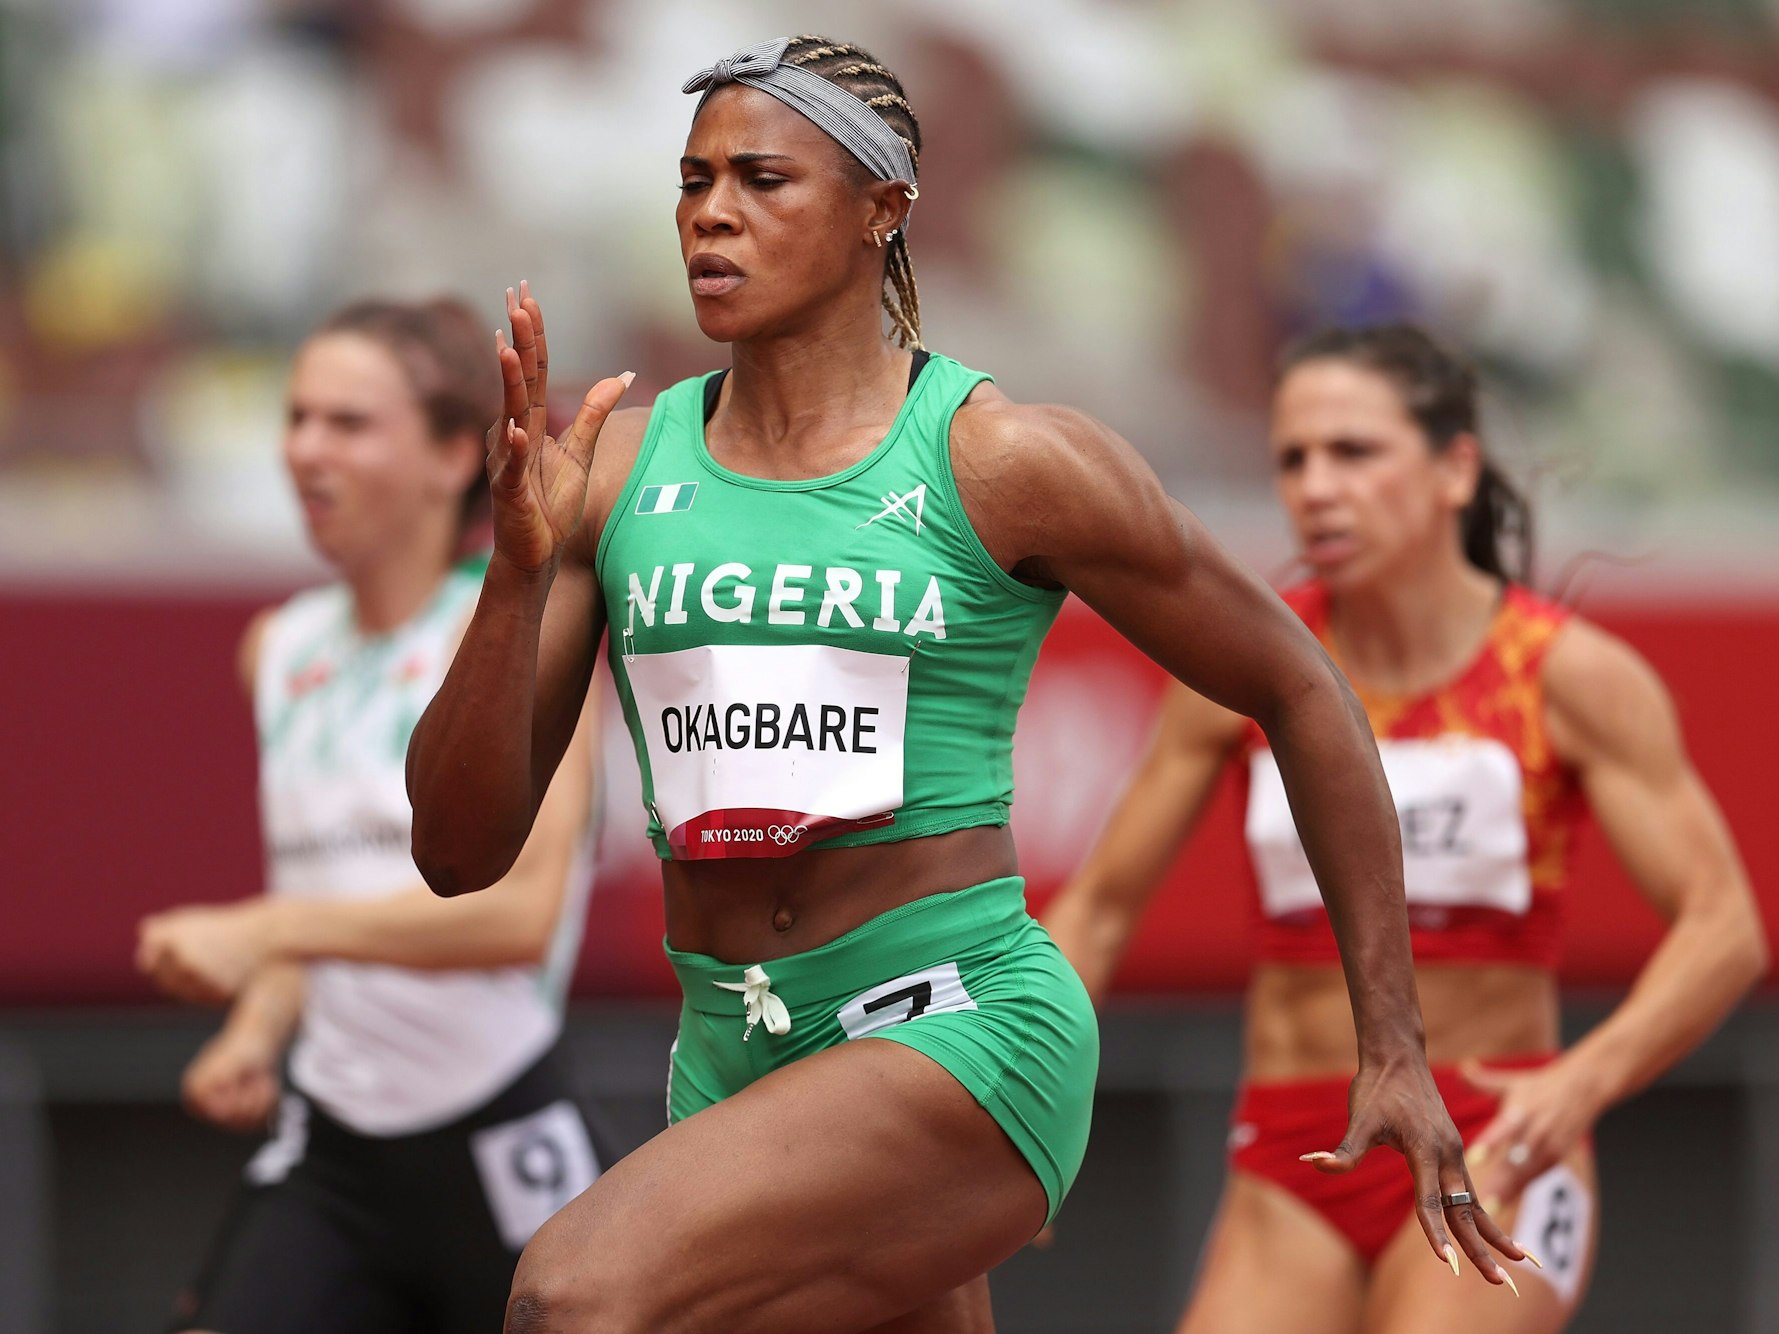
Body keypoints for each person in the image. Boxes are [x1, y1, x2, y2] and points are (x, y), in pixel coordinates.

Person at [407, 38, 1526, 1334]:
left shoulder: (1000, 458)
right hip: (729, 1054)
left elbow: (1298, 686)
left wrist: (1388, 1038)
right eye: (691, 179)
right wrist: (513, 574)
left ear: (882, 210)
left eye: (761, 179)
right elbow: (454, 849)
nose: (708, 211)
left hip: (959, 1031)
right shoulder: (615, 474)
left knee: (570, 1300)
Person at [1044, 323, 1768, 1333]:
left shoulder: (1566, 675)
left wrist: (1577, 1085)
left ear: (1454, 469)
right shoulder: (1242, 672)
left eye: (1354, 451)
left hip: (1495, 1141)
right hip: (1294, 1156)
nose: (1316, 486)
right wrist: (1020, 1095)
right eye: (1293, 459)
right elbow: (1104, 905)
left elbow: (1725, 926)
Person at [137, 297, 604, 1334]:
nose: (305, 448)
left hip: (496, 1120)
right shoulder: (278, 646)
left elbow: (515, 917)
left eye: (348, 423)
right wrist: (260, 1021)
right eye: (297, 416)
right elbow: (331, 898)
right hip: (332, 1138)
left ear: (452, 457)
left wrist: (264, 931)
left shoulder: (521, 641)